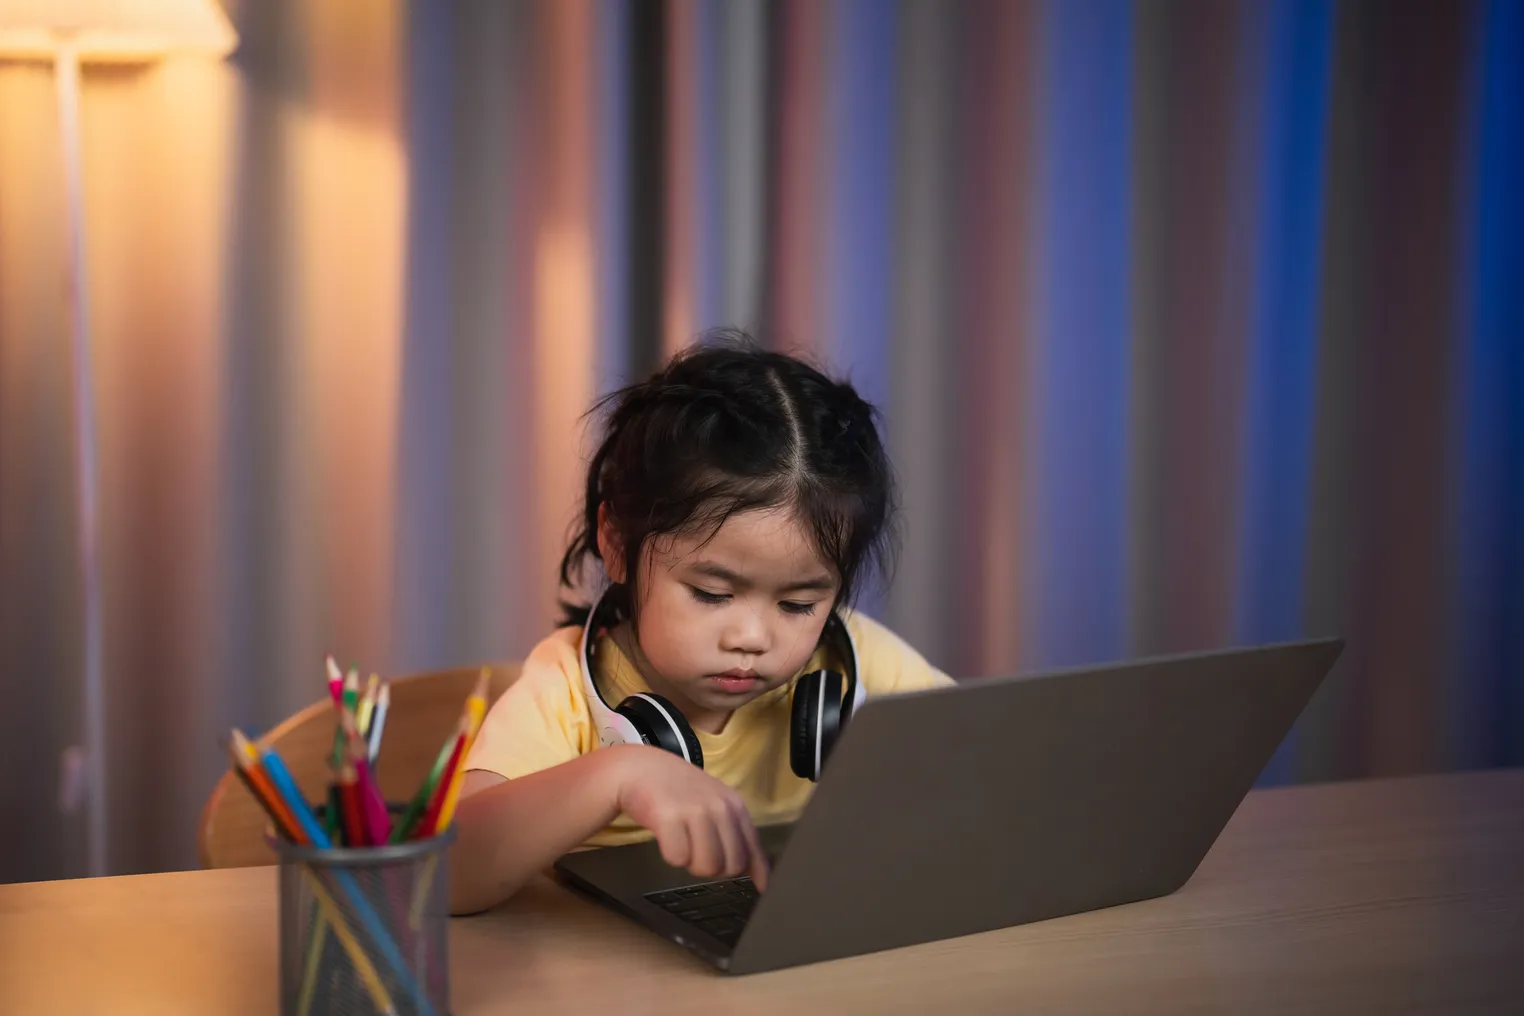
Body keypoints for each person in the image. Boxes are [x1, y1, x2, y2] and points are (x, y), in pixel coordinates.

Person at [449, 332, 952, 915]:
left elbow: (992, 770)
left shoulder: (850, 660)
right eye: (712, 594)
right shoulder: (563, 689)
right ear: (616, 543)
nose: (752, 638)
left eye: (797, 605)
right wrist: (619, 775)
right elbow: (448, 876)